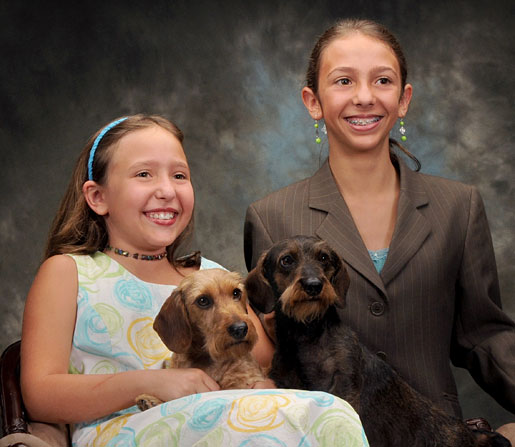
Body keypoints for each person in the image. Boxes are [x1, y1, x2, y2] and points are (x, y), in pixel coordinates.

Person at [20, 114, 369, 446]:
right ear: (98, 197)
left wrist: (264, 379)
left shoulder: (211, 274)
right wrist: (150, 381)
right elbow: (39, 394)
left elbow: (264, 361)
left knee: (327, 411)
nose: (166, 191)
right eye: (144, 174)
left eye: (179, 176)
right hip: (125, 431)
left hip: (229, 419)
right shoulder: (69, 272)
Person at [244, 19, 515, 441]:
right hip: (319, 438)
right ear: (312, 101)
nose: (365, 97)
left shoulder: (459, 207)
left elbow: (485, 336)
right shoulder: (269, 216)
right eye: (344, 81)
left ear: (404, 99)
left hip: (438, 437)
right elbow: (266, 347)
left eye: (382, 80)